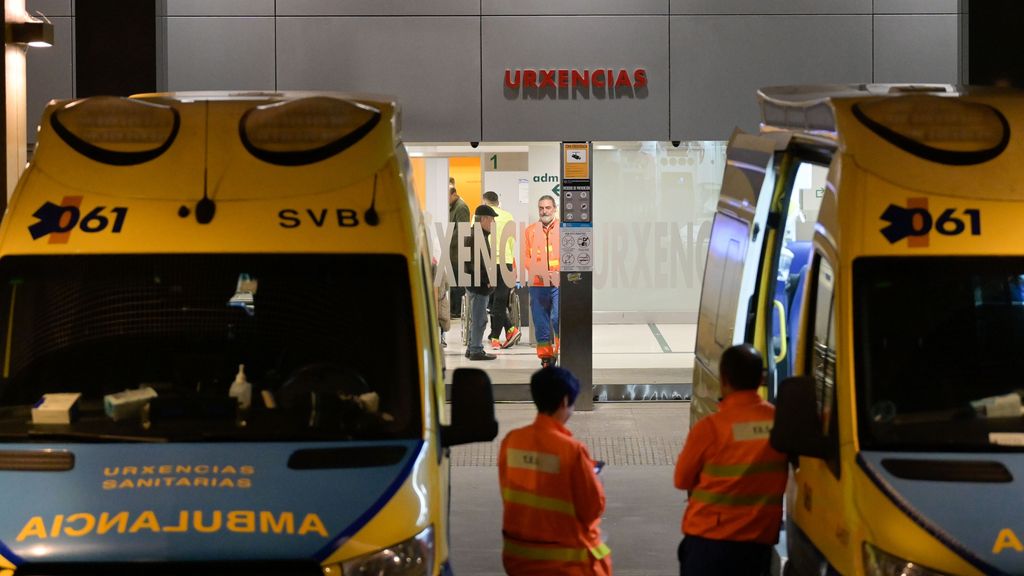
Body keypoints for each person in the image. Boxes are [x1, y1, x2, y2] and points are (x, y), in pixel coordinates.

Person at [673, 344, 788, 576]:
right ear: (761, 379)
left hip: (710, 543)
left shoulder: (711, 429)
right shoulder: (781, 423)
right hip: (758, 542)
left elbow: (682, 480)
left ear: (724, 379)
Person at [498, 367, 611, 576]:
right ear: (565, 402)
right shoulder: (571, 450)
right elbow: (592, 509)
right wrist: (597, 481)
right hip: (565, 565)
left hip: (518, 561)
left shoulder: (511, 442)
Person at [523, 195, 560, 367]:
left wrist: (557, 273)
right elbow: (526, 258)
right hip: (538, 284)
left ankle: (559, 350)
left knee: (558, 317)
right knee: (540, 321)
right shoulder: (530, 231)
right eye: (541, 208)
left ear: (554, 208)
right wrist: (542, 273)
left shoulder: (563, 229)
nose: (544, 211)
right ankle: (546, 357)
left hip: (558, 283)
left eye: (547, 207)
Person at [482, 190, 522, 350]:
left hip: (488, 261)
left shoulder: (480, 216)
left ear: (485, 202)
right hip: (505, 262)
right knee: (499, 300)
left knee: (491, 300)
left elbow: (475, 239)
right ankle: (510, 329)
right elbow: (512, 242)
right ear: (498, 202)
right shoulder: (509, 217)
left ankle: (495, 337)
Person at [464, 204, 498, 361]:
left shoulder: (476, 235)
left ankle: (471, 348)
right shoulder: (477, 237)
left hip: (474, 284)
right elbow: (475, 264)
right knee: (480, 319)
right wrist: (487, 279)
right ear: (483, 219)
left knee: (476, 317)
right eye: (492, 220)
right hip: (479, 285)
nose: (493, 223)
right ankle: (476, 350)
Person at [448, 181, 470, 318]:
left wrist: (448, 239)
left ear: (454, 194)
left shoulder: (461, 207)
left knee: (457, 283)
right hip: (452, 251)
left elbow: (463, 230)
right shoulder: (452, 206)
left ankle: (457, 311)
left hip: (458, 252)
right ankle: (454, 309)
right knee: (454, 282)